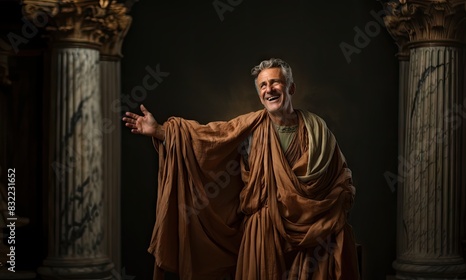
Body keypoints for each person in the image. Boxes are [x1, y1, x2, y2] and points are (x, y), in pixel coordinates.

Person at [122, 58, 359, 280]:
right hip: (265, 234)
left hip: (314, 234)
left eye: (275, 82)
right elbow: (209, 138)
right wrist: (160, 131)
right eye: (263, 85)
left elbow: (340, 176)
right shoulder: (251, 127)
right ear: (260, 95)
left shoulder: (317, 130)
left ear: (291, 88)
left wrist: (337, 202)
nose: (269, 89)